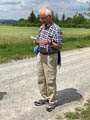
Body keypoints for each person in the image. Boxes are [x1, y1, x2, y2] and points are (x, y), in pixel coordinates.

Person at [33, 8, 62, 112]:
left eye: (44, 18)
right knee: (41, 78)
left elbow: (59, 46)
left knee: (50, 79)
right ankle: (45, 98)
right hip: (41, 55)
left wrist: (50, 43)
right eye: (41, 19)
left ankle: (52, 101)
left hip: (51, 56)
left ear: (50, 17)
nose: (42, 21)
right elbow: (40, 40)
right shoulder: (41, 27)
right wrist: (37, 43)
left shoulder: (56, 29)